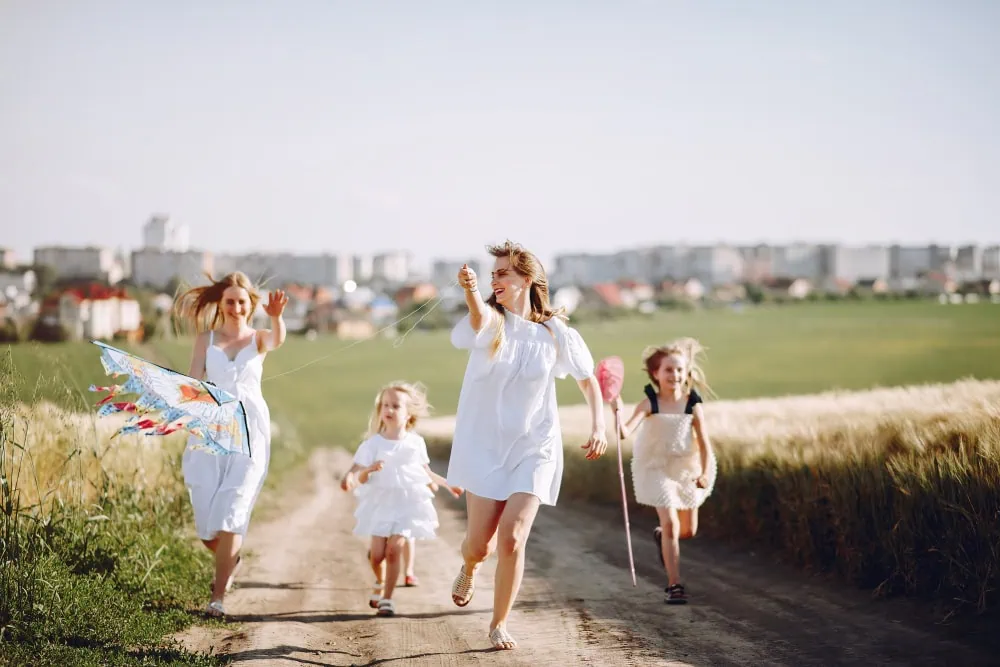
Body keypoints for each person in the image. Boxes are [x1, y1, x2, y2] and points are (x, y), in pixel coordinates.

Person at [447, 241, 608, 650]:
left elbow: (587, 379)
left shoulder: (556, 333)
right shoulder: (492, 322)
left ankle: (498, 623)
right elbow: (478, 315)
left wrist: (599, 425)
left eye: (503, 273)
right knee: (480, 546)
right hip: (486, 448)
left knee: (513, 537)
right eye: (492, 275)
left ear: (527, 279)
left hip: (536, 446)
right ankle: (469, 565)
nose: (494, 280)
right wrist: (469, 290)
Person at [173, 271, 288, 618]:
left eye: (242, 302)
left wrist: (277, 317)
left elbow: (277, 339)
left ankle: (218, 598)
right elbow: (193, 381)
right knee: (208, 525)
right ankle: (231, 559)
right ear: (221, 304)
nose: (236, 307)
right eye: (230, 302)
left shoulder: (259, 339)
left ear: (250, 305)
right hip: (210, 430)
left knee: (232, 510)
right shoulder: (206, 340)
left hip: (250, 432)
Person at [341, 381, 463, 617]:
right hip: (380, 505)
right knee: (377, 556)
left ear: (409, 414)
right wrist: (362, 473)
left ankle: (387, 599)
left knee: (394, 550)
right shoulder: (373, 444)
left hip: (407, 505)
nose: (388, 409)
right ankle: (379, 581)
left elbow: (425, 472)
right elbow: (360, 476)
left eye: (396, 406)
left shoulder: (416, 443)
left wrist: (448, 484)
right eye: (385, 405)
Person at [612, 338, 717, 605]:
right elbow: (624, 432)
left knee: (688, 531)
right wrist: (617, 411)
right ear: (655, 373)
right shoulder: (650, 403)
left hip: (687, 469)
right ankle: (674, 585)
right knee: (671, 523)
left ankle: (662, 536)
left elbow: (704, 443)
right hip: (656, 467)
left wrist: (704, 473)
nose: (675, 375)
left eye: (680, 369)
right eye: (668, 369)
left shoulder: (692, 404)